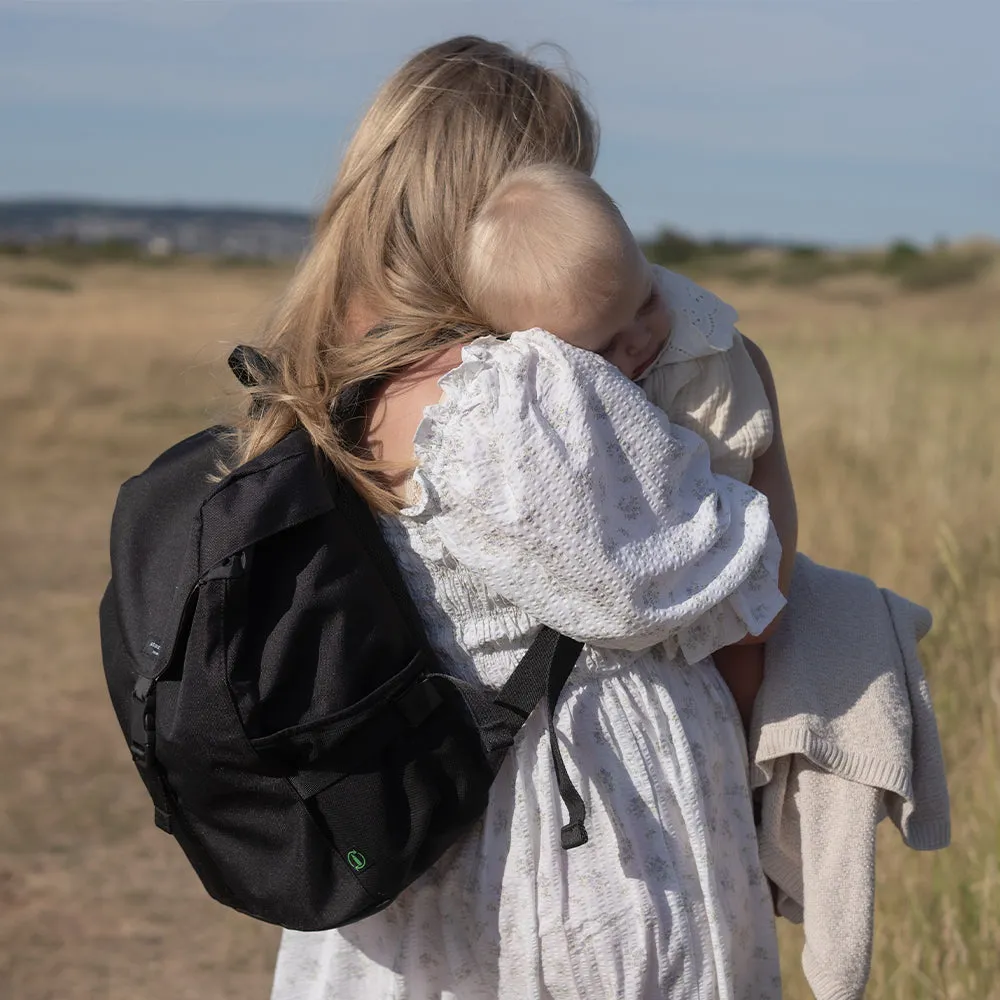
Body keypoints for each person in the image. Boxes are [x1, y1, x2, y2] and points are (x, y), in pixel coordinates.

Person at [246, 36, 791, 1000]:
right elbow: (695, 587)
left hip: (432, 817)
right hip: (581, 827)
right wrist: (758, 449)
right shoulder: (502, 404)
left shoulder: (338, 363)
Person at [461, 162, 798, 729]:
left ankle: (752, 756)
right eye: (607, 345)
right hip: (640, 585)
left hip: (726, 506)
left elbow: (752, 483)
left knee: (750, 654)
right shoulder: (534, 399)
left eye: (644, 303)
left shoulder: (708, 355)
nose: (640, 339)